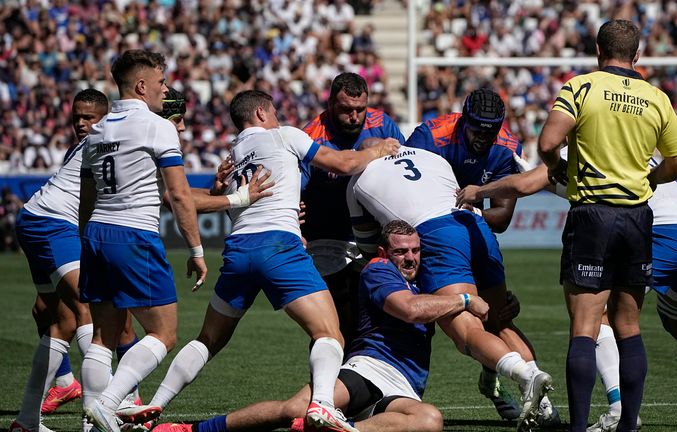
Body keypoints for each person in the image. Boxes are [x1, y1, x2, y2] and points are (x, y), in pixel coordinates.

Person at [139, 90, 399, 432]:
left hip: (237, 251)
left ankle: (154, 406)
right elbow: (344, 164)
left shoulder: (233, 156)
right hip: (278, 245)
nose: (278, 117)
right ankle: (322, 404)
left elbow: (226, 199)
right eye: (274, 111)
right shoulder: (285, 135)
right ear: (262, 113)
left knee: (208, 339)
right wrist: (381, 148)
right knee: (329, 333)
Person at [456, 154, 677, 431]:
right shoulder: (632, 140)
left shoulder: (583, 142)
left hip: (657, 228)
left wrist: (480, 192)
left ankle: (619, 410)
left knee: (598, 314)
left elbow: (527, 184)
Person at [151, 220, 489, 432]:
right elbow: (410, 310)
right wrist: (464, 300)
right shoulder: (379, 270)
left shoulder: (425, 285)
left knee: (430, 420)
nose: (411, 258)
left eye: (416, 250)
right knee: (294, 409)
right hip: (368, 369)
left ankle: (345, 428)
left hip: (405, 389)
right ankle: (191, 430)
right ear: (386, 252)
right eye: (402, 252)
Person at [537, 20, 677, 432]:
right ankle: (627, 428)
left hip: (592, 215)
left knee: (585, 325)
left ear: (598, 50)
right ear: (637, 55)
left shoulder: (580, 87)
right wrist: (650, 178)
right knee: (628, 325)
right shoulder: (656, 97)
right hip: (637, 217)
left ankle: (578, 427)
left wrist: (560, 169)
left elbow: (547, 143)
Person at [347, 145, 553, 431]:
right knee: (499, 318)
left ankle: (526, 376)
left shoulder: (358, 174)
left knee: (468, 331)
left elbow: (372, 248)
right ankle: (545, 406)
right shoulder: (432, 156)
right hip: (476, 225)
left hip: (437, 234)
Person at [78, 49, 207, 432]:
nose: (165, 89)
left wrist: (92, 239)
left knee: (102, 336)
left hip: (97, 233)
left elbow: (87, 200)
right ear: (141, 85)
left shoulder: (98, 130)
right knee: (164, 333)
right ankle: (106, 403)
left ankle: (90, 421)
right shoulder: (158, 126)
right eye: (161, 81)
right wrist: (196, 250)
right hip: (133, 233)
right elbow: (180, 195)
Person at [405, 88, 548, 422]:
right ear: (462, 120)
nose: (483, 137)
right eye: (476, 129)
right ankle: (403, 396)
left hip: (474, 234)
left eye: (490, 130)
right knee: (443, 322)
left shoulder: (507, 147)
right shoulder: (431, 136)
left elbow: (502, 218)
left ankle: (506, 384)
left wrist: (473, 210)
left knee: (498, 318)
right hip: (429, 236)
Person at [10, 89, 109, 432]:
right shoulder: (108, 141)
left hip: (37, 220)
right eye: (76, 117)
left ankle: (28, 419)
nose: (80, 124)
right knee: (86, 305)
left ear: (104, 116)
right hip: (52, 223)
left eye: (88, 118)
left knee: (56, 316)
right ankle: (98, 416)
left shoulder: (101, 141)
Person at [301, 72, 405, 347]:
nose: (354, 117)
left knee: (374, 319)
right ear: (331, 104)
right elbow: (294, 191)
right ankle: (328, 383)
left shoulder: (382, 124)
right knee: (333, 325)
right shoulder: (312, 137)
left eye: (360, 109)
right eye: (346, 110)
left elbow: (405, 168)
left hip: (372, 237)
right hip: (327, 239)